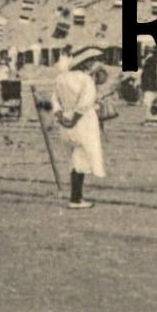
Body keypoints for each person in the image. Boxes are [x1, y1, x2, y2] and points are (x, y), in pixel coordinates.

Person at [51, 46, 108, 209]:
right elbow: (86, 102)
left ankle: (76, 196)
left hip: (66, 119)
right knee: (82, 157)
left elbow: (54, 100)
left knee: (75, 157)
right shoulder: (85, 79)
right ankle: (76, 198)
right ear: (85, 63)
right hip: (83, 122)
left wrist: (60, 116)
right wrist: (75, 119)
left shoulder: (61, 78)